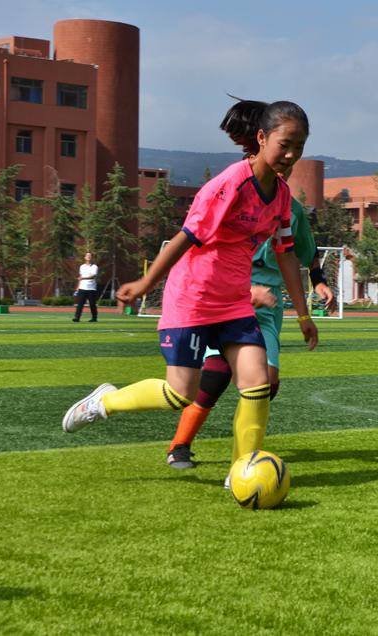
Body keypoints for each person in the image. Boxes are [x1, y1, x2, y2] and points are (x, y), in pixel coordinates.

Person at [62, 99, 318, 481]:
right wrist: (146, 283)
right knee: (178, 394)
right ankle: (105, 402)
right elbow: (185, 237)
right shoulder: (229, 185)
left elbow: (286, 254)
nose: (291, 154)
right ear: (262, 138)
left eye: (299, 146)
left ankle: (242, 471)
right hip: (194, 298)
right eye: (285, 144)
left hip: (234, 304)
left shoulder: (280, 195)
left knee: (257, 383)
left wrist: (303, 314)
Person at [165, 166, 335, 470]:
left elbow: (306, 253)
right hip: (226, 294)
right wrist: (243, 289)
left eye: (291, 158)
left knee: (267, 382)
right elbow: (204, 244)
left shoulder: (292, 209)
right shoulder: (235, 192)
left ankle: (243, 460)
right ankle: (179, 445)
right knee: (215, 376)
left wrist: (318, 282)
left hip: (268, 306)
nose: (283, 163)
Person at [72, 252, 99, 322]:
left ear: (92, 258)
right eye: (87, 255)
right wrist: (78, 287)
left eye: (90, 255)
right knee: (80, 304)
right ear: (84, 257)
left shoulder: (94, 266)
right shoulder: (82, 266)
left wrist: (83, 278)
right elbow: (80, 277)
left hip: (91, 288)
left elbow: (93, 276)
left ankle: (94, 318)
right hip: (82, 288)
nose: (88, 256)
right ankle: (77, 317)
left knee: (92, 304)